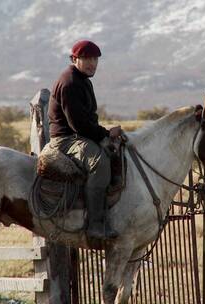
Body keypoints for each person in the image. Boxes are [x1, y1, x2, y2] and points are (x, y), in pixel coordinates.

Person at [48, 40, 121, 240]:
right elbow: (78, 124)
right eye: (86, 59)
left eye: (95, 59)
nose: (92, 63)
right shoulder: (69, 82)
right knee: (99, 161)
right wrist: (105, 135)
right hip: (65, 139)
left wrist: (105, 134)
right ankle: (95, 224)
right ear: (74, 59)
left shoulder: (83, 80)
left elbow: (88, 120)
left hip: (79, 135)